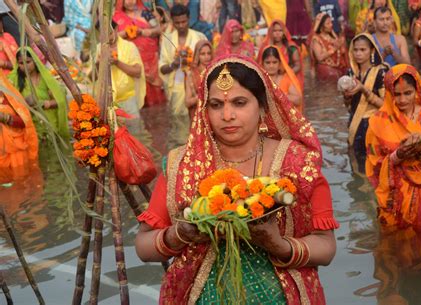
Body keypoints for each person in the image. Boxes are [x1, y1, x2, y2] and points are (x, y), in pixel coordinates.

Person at [135, 55, 339, 304]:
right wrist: (179, 234)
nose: (227, 115)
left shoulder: (297, 162)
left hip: (281, 296)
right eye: (216, 105)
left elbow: (326, 248)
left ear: (263, 107)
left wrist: (279, 245)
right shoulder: (182, 164)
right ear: (204, 109)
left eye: (239, 103)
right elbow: (143, 246)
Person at [366, 64, 421, 231]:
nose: (402, 100)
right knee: (395, 245)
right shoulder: (379, 122)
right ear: (388, 93)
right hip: (394, 195)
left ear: (417, 90)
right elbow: (375, 165)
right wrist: (397, 156)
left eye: (408, 93)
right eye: (397, 94)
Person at [342, 33, 388, 173]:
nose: (358, 54)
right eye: (355, 50)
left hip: (374, 126)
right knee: (357, 166)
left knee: (376, 168)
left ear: (372, 51)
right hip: (355, 126)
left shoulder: (381, 72)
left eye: (363, 50)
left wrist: (363, 89)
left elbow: (386, 106)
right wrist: (346, 97)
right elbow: (349, 106)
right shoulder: (350, 73)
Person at [9, 47, 69, 141]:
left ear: (35, 61)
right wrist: (24, 104)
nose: (25, 66)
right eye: (21, 63)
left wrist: (42, 104)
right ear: (17, 64)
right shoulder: (14, 81)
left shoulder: (45, 79)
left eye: (28, 62)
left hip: (49, 125)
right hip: (28, 127)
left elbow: (60, 100)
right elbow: (8, 103)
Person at [113, 0, 164, 107]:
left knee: (152, 88)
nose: (130, 2)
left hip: (149, 58)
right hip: (129, 58)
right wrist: (125, 33)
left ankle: (154, 111)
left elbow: (159, 29)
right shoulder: (116, 17)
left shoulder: (145, 13)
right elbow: (112, 36)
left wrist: (144, 31)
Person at [159, 4, 207, 117]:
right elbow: (162, 68)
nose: (181, 25)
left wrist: (193, 62)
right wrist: (174, 65)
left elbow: (209, 62)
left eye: (184, 21)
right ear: (172, 21)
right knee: (178, 119)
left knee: (200, 117)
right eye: (177, 23)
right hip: (177, 82)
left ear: (189, 19)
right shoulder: (167, 40)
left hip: (197, 82)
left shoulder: (200, 37)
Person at [0, 71, 38, 184]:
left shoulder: (8, 95)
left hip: (13, 151)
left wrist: (4, 117)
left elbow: (24, 121)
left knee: (19, 186)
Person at [107, 20, 146, 120]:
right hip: (109, 104)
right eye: (104, 35)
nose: (108, 38)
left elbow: (137, 72)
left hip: (129, 100)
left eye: (110, 33)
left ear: (116, 29)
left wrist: (117, 63)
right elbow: (91, 78)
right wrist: (100, 63)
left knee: (136, 131)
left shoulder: (129, 47)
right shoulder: (99, 49)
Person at [258, 20, 304, 87]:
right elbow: (259, 66)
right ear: (270, 32)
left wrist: (285, 76)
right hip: (269, 80)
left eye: (280, 30)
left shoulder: (291, 48)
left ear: (284, 32)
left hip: (288, 79)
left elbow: (297, 66)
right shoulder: (265, 48)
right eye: (274, 31)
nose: (277, 33)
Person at [260, 45, 303, 110]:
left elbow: (298, 100)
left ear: (280, 63)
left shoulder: (286, 79)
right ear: (262, 64)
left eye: (274, 62)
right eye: (268, 63)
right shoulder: (259, 80)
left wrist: (278, 95)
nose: (271, 66)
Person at [309, 12, 348, 82]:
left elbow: (342, 51)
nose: (331, 25)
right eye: (328, 23)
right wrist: (334, 49)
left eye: (331, 22)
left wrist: (342, 44)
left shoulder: (333, 36)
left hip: (338, 66)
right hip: (325, 67)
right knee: (333, 75)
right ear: (321, 27)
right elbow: (319, 57)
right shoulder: (316, 39)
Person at [185, 40, 213, 119]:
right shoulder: (191, 74)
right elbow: (187, 102)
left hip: (213, 114)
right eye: (203, 54)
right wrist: (202, 97)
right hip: (198, 116)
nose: (206, 57)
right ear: (197, 55)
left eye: (209, 53)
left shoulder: (215, 71)